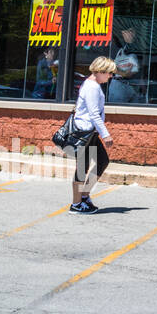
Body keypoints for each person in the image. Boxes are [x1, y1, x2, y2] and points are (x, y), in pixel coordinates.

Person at [69, 57, 116, 214]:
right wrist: (106, 135)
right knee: (82, 168)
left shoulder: (93, 85)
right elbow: (94, 114)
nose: (110, 76)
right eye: (109, 73)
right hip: (85, 132)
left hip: (91, 133)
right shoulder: (92, 87)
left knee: (102, 161)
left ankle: (84, 196)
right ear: (100, 71)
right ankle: (76, 204)